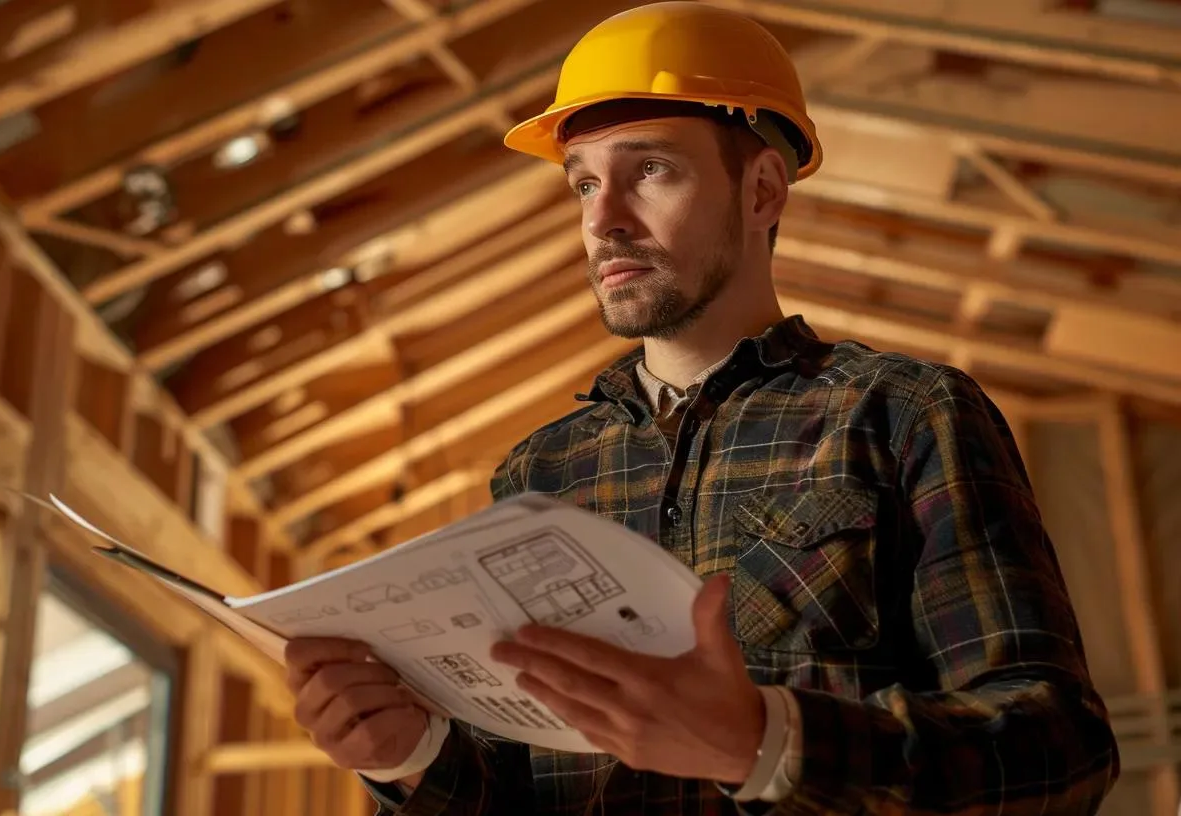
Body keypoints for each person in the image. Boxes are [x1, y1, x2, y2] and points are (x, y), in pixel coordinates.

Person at [282, 3, 1120, 813]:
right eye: (583, 184)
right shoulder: (540, 472)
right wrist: (409, 760)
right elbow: (506, 789)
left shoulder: (903, 413)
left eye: (650, 170)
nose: (603, 221)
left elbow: (1059, 752)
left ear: (762, 192)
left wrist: (765, 743)